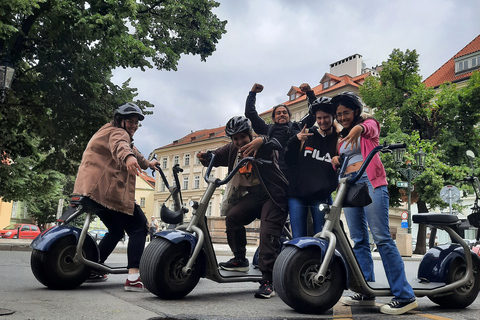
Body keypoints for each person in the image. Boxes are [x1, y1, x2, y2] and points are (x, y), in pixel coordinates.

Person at [330, 92, 417, 315]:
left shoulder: (368, 125)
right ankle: (365, 289)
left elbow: (372, 127)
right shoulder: (342, 137)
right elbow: (345, 159)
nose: (342, 117)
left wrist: (360, 128)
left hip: (371, 182)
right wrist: (336, 160)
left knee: (381, 237)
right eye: (339, 114)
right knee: (358, 239)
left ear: (356, 112)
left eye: (346, 113)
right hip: (349, 186)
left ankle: (404, 295)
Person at [196, 116, 288, 299]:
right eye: (235, 139)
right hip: (254, 195)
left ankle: (268, 280)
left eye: (243, 138)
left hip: (273, 194)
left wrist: (260, 142)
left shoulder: (262, 143)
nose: (239, 142)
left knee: (266, 232)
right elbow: (216, 155)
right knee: (233, 217)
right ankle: (240, 259)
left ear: (250, 134)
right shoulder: (233, 148)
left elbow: (274, 141)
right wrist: (205, 157)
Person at [73, 102, 160, 292]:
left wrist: (147, 164)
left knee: (116, 230)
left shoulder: (106, 130)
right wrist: (128, 158)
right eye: (130, 121)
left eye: (137, 122)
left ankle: (94, 268)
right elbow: (121, 147)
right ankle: (134, 277)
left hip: (89, 191)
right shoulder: (119, 133)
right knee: (139, 227)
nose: (134, 125)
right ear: (120, 120)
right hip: (105, 191)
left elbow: (133, 151)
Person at [284, 96, 338, 238]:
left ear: (333, 116)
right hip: (297, 194)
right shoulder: (307, 134)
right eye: (319, 118)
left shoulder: (338, 139)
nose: (322, 121)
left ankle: (322, 260)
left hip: (320, 195)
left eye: (326, 117)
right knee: (298, 236)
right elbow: (288, 161)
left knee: (321, 235)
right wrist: (295, 141)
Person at [244, 83, 316, 180]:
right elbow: (250, 113)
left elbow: (314, 113)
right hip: (274, 175)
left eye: (284, 112)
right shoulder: (267, 129)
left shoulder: (298, 126)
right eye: (278, 113)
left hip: (296, 174)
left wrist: (309, 92)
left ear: (289, 117)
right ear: (273, 118)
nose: (281, 114)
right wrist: (252, 93)